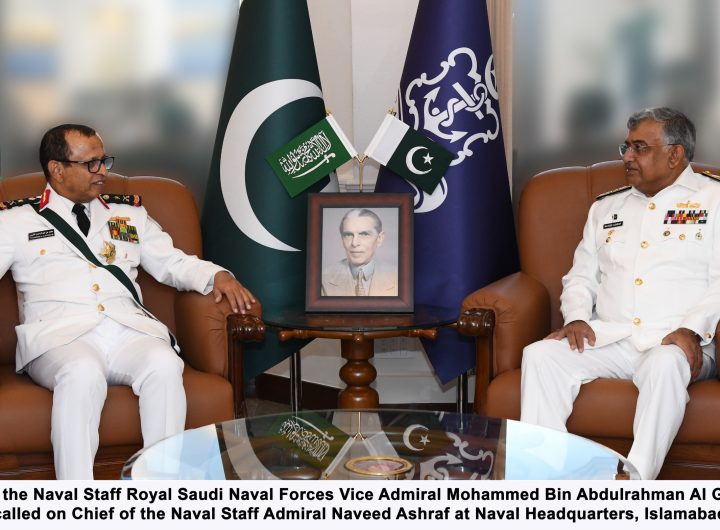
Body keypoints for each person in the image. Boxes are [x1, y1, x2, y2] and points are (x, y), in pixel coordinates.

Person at [0, 124, 256, 479]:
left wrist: (217, 276)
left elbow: (172, 262)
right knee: (81, 373)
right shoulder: (16, 221)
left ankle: (161, 490)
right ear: (57, 169)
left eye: (104, 161)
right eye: (90, 163)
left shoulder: (128, 215)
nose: (102, 171)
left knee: (164, 365)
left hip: (126, 330)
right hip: (58, 338)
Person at [521, 107, 719, 480]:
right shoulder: (607, 207)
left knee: (665, 364)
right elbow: (580, 276)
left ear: (675, 154)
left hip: (678, 342)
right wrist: (577, 317)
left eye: (639, 147)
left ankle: (634, 481)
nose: (627, 157)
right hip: (613, 336)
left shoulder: (713, 199)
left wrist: (691, 330)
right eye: (626, 147)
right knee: (541, 356)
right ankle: (544, 479)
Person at [321, 208, 398, 296]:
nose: (354, 243)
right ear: (342, 240)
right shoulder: (323, 278)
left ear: (380, 238)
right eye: (348, 235)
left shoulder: (398, 277)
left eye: (364, 234)